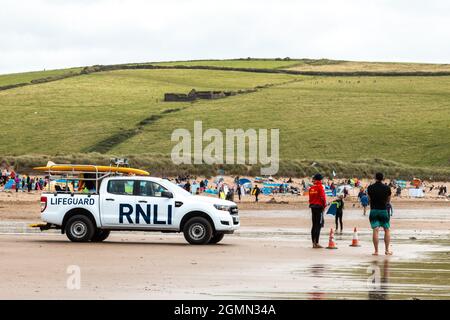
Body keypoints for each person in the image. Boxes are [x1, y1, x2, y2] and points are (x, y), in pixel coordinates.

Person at [367, 172, 393, 256]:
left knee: (375, 229)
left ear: (375, 178)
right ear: (383, 178)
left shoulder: (370, 188)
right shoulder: (387, 188)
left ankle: (376, 251)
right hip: (383, 210)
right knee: (387, 229)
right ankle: (387, 250)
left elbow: (369, 199)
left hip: (374, 210)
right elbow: (389, 200)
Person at [309, 173, 327, 248]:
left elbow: (310, 199)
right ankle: (316, 243)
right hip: (319, 207)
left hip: (313, 207)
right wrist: (324, 206)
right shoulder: (320, 187)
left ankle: (313, 242)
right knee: (318, 225)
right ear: (320, 179)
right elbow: (323, 198)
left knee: (314, 225)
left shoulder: (311, 188)